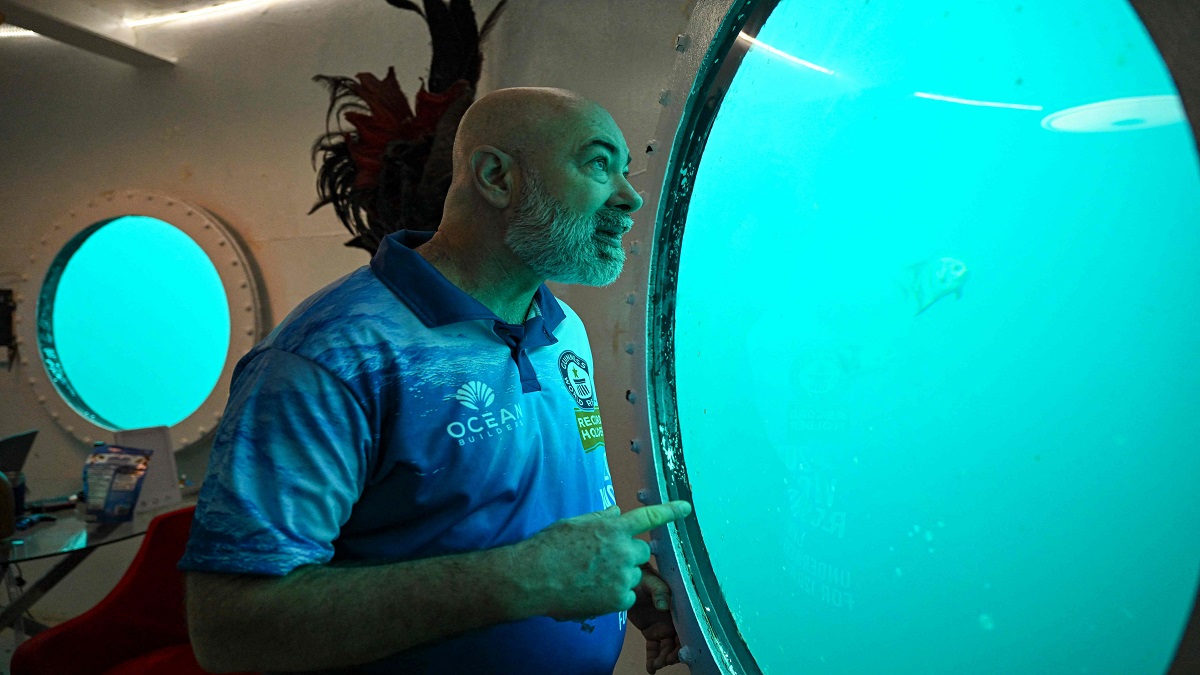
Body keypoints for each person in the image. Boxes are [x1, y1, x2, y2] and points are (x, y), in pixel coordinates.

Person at [181, 87, 694, 675]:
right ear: (497, 177)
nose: (630, 197)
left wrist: (616, 573)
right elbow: (228, 630)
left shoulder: (563, 330)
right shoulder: (333, 356)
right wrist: (527, 578)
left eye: (625, 170)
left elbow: (520, 514)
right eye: (599, 164)